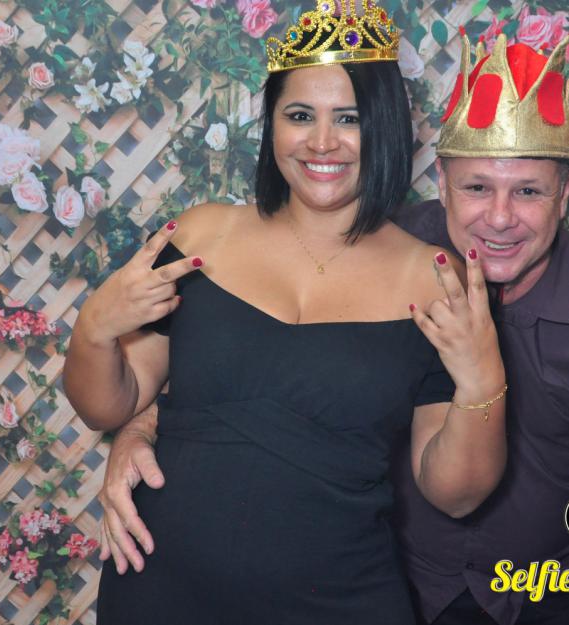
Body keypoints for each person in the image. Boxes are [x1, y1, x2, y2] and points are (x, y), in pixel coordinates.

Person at [64, 2, 506, 623]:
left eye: (349, 118)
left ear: (383, 126)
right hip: (161, 587)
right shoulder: (201, 236)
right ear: (271, 124)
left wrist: (484, 382)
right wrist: (94, 327)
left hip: (342, 599)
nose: (322, 142)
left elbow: (454, 494)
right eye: (300, 116)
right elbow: (107, 407)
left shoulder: (436, 279)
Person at [390, 33, 569, 625]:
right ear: (442, 182)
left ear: (564, 196)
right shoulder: (387, 251)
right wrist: (146, 422)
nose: (499, 218)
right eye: (476, 188)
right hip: (395, 585)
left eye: (528, 191)